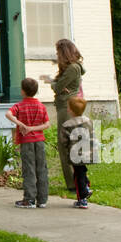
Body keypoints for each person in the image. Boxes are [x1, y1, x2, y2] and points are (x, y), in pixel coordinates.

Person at [43, 39, 86, 194]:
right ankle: (78, 180)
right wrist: (57, 83)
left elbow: (59, 87)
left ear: (63, 52)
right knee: (71, 143)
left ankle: (73, 183)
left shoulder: (73, 68)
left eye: (58, 52)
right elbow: (61, 86)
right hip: (66, 106)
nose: (56, 55)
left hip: (67, 109)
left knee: (65, 144)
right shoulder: (74, 68)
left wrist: (53, 83)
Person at [5, 77, 49, 208]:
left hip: (27, 142)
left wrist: (21, 124)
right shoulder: (41, 106)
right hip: (40, 141)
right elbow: (47, 124)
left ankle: (29, 199)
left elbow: (8, 114)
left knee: (29, 169)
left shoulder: (20, 106)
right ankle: (42, 199)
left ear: (22, 91)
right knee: (42, 169)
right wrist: (34, 128)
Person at [62, 94, 96, 209]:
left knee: (78, 175)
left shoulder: (67, 125)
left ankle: (82, 197)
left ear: (71, 111)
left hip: (75, 154)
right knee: (82, 170)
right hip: (88, 152)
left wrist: (65, 148)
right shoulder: (88, 121)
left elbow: (64, 141)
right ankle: (86, 187)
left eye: (68, 107)